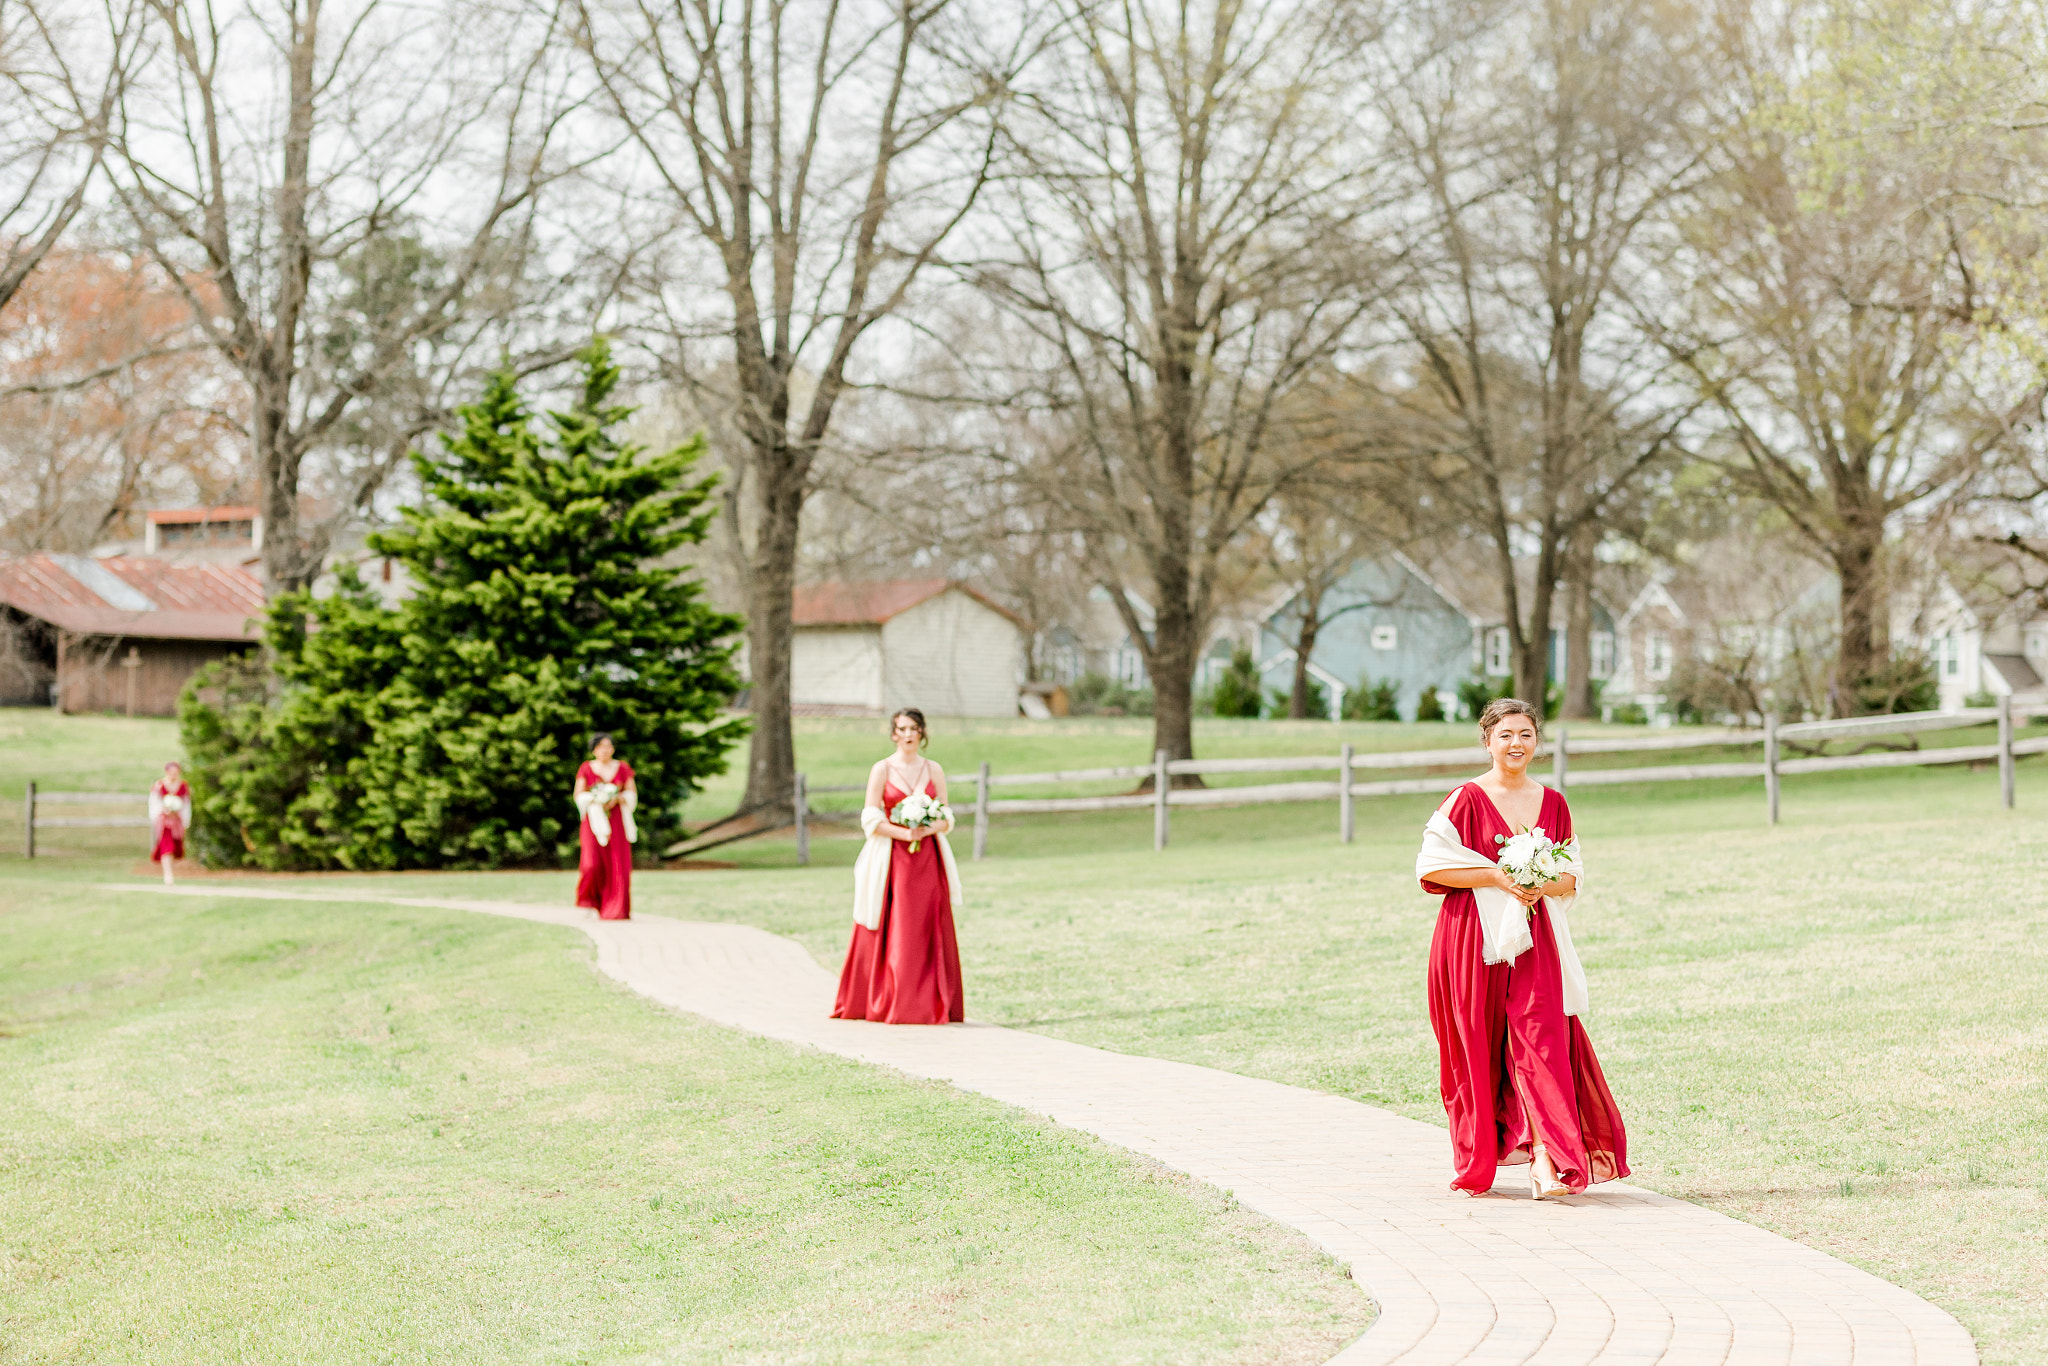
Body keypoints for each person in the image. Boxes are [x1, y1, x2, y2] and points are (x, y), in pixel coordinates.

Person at [1414, 697, 1629, 1199]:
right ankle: (1491, 1151)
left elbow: (1573, 876)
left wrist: (1538, 883)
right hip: (1472, 941)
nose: (1516, 744)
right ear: (1487, 740)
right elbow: (1429, 868)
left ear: (1538, 741)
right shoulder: (1465, 799)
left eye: (1525, 734)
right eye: (1506, 734)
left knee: (1544, 1041)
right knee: (1480, 1045)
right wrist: (1495, 875)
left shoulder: (1553, 803)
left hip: (1536, 941)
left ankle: (1545, 1161)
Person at [833, 708, 965, 1024]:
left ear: (922, 733)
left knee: (926, 922)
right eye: (902, 729)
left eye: (914, 729)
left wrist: (927, 828)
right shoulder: (882, 769)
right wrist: (904, 833)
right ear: (894, 734)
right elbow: (870, 816)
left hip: (928, 858)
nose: (908, 735)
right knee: (898, 923)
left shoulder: (934, 769)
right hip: (893, 858)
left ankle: (930, 1001)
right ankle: (894, 999)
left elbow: (947, 814)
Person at [573, 734, 637, 920]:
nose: (605, 750)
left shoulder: (623, 768)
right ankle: (589, 902)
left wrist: (617, 798)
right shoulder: (586, 768)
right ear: (594, 749)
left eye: (608, 746)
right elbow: (579, 795)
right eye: (601, 746)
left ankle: (616, 908)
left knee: (618, 863)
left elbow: (632, 793)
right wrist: (596, 800)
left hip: (617, 819)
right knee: (591, 863)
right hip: (594, 821)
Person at [148, 761, 190, 885]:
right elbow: (154, 803)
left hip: (177, 821)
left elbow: (186, 804)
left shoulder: (182, 786)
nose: (174, 775)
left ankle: (170, 871)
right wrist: (163, 810)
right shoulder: (159, 786)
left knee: (175, 847)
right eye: (171, 772)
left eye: (176, 773)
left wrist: (184, 818)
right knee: (166, 846)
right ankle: (168, 874)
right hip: (164, 822)